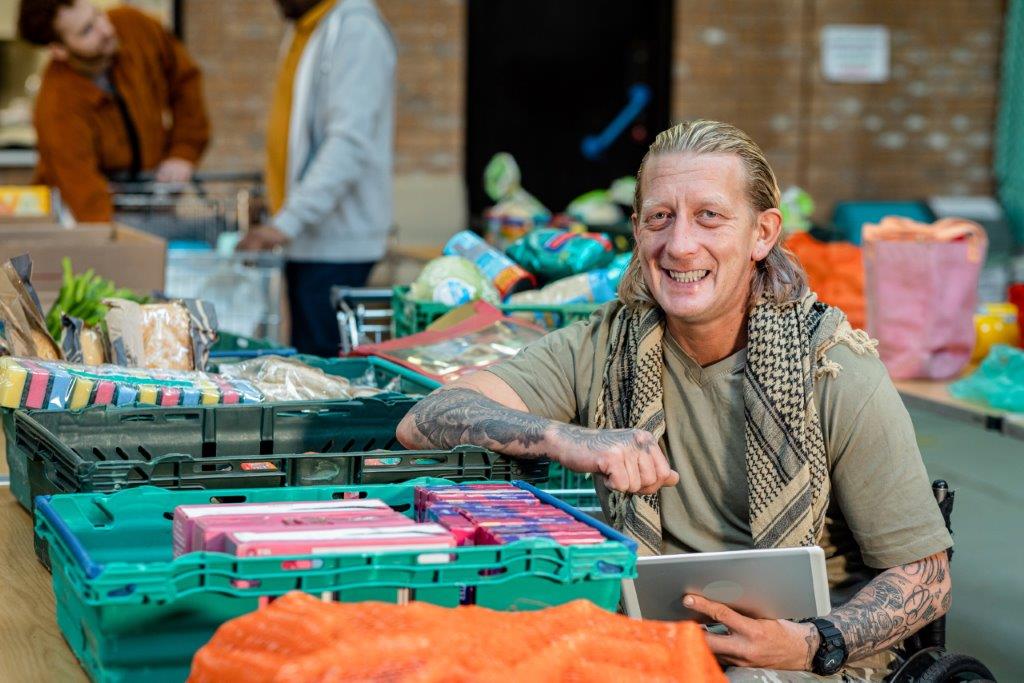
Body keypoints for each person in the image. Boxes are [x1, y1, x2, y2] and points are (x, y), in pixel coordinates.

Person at [397, 120, 954, 681]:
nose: (680, 244)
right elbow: (427, 418)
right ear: (637, 230)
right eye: (660, 217)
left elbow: (926, 579)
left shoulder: (833, 368)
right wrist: (566, 438)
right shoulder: (604, 346)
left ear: (762, 234)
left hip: (806, 653)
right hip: (650, 641)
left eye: (709, 216)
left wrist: (810, 643)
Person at [237, 0, 396, 357]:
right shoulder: (308, 29)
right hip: (308, 236)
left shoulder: (356, 30)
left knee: (323, 375)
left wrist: (288, 221)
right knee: (308, 360)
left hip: (337, 243)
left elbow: (348, 143)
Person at [18, 0, 210, 222]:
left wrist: (183, 151)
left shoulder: (134, 26)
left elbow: (185, 81)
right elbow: (86, 199)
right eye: (87, 30)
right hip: (84, 217)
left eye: (97, 14)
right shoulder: (56, 106)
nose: (106, 29)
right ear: (58, 50)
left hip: (149, 201)